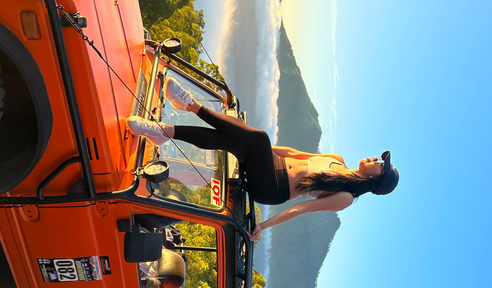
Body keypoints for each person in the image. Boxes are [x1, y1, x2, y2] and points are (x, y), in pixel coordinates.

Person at [127, 78, 400, 242]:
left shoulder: (346, 197)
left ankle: (190, 105)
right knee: (235, 142)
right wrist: (259, 147)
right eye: (381, 158)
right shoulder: (336, 159)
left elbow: (301, 209)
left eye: (380, 164)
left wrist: (263, 226)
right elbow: (291, 154)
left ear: (376, 178)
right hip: (269, 164)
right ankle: (162, 132)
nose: (376, 159)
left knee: (257, 138)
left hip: (272, 189)